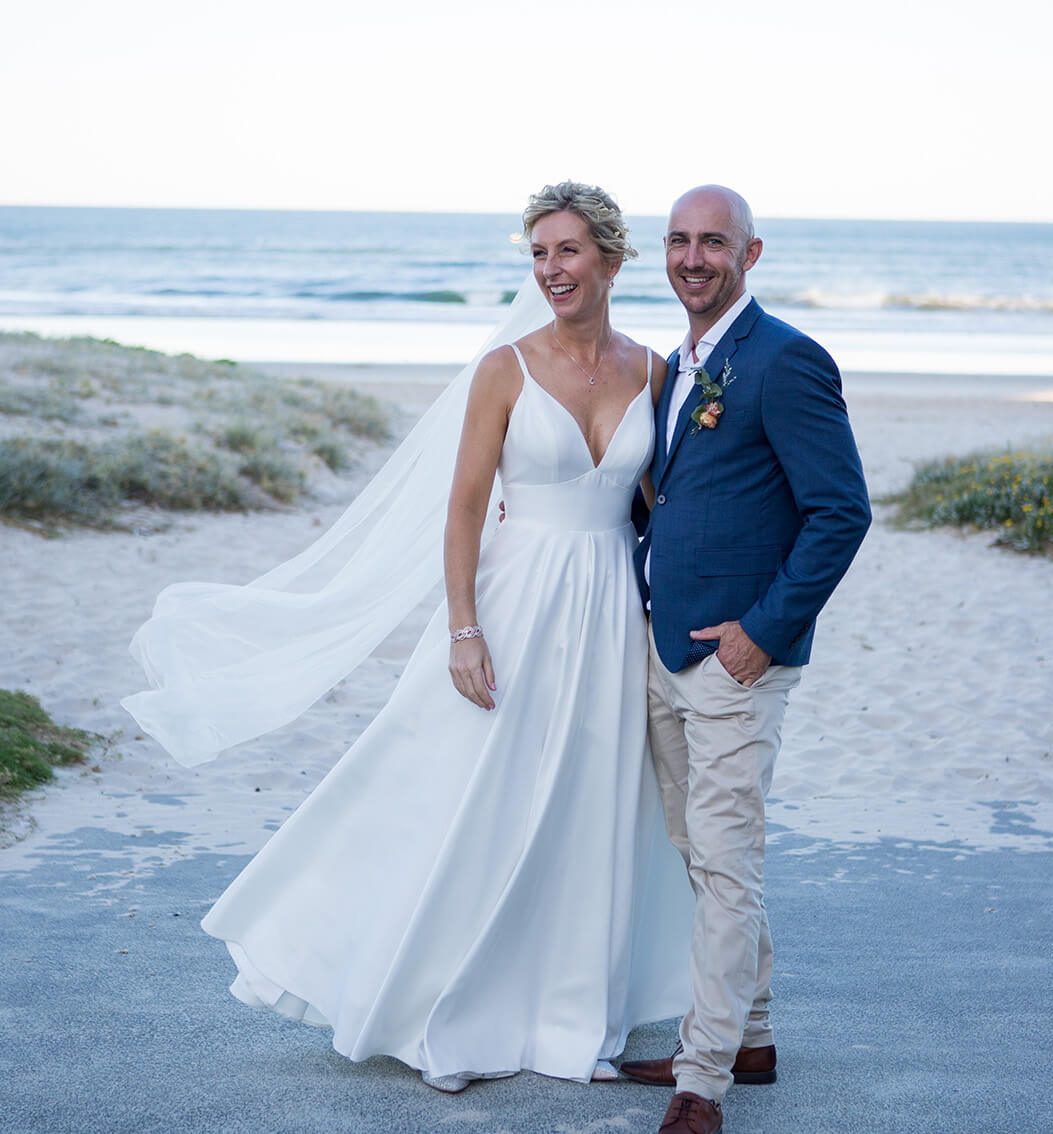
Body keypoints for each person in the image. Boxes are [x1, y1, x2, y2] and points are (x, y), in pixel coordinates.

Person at [122, 181, 694, 1093]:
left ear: (613, 260)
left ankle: (565, 1017)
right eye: (539, 254)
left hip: (608, 612)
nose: (552, 270)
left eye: (568, 252)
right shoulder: (504, 369)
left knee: (587, 809)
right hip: (510, 604)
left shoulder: (656, 372)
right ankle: (441, 1014)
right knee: (472, 799)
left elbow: (660, 508)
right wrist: (463, 629)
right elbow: (464, 508)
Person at [619, 186, 871, 1134]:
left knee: (727, 861)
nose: (693, 258)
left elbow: (841, 512)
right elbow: (672, 497)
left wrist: (760, 634)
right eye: (679, 241)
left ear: (750, 253)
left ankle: (705, 1079)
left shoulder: (787, 360)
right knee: (699, 851)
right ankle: (752, 1035)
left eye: (712, 242)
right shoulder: (678, 367)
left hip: (737, 661)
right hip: (662, 645)